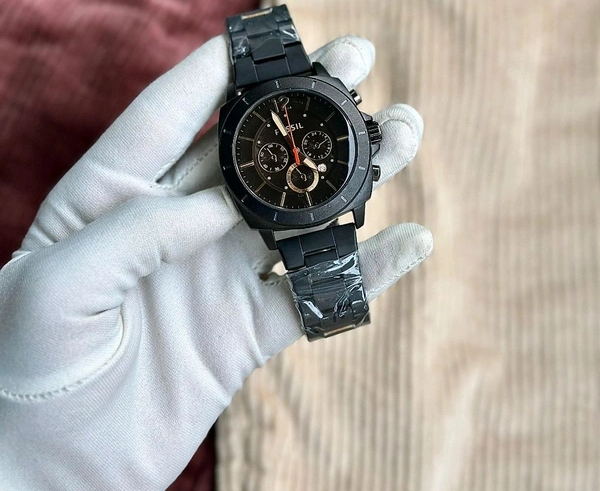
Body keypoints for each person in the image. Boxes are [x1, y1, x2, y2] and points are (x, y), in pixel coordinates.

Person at [0, 33, 433, 490]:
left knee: (330, 297)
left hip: (295, 197)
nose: (298, 156)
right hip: (260, 190)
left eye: (306, 152)